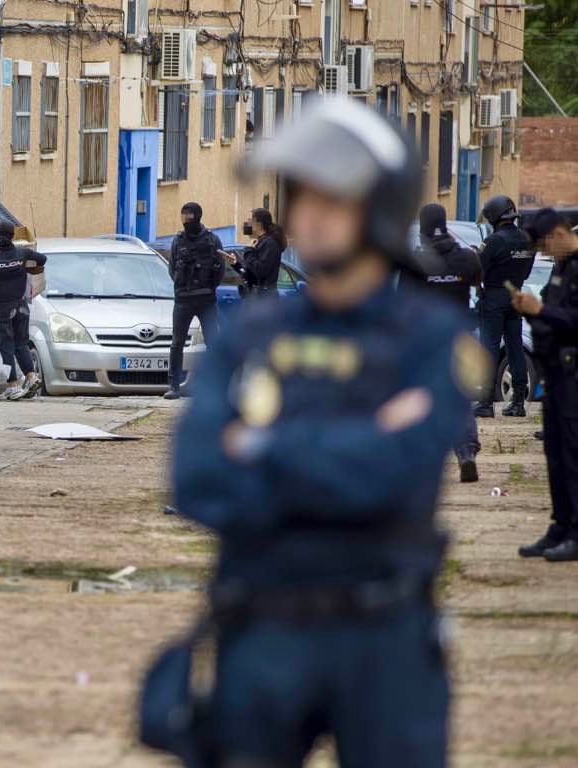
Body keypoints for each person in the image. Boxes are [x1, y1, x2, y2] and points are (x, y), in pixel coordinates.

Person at [167, 99, 478, 767]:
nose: (307, 214)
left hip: (384, 636)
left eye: (331, 197)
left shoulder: (427, 338)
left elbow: (397, 473)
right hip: (260, 628)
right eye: (300, 194)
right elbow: (196, 479)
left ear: (378, 206)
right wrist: (358, 439)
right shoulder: (253, 334)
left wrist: (260, 446)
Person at [398, 203, 484, 483]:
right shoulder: (467, 258)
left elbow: (402, 303)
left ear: (422, 228)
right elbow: (477, 279)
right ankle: (466, 453)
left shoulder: (416, 262)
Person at [511, 208, 578, 561]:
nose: (545, 253)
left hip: (573, 377)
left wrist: (540, 312)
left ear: (558, 233)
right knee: (554, 454)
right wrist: (531, 312)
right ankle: (561, 525)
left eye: (545, 245)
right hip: (556, 375)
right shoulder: (562, 269)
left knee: (571, 456)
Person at [474, 194, 535, 418]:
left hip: (494, 297)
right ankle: (518, 402)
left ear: (494, 217)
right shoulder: (527, 240)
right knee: (515, 347)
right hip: (516, 295)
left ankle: (486, 403)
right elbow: (527, 272)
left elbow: (477, 269)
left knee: (488, 347)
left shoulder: (493, 241)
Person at [0, 221, 47, 401]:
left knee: (5, 346)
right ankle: (31, 377)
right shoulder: (22, 253)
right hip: (21, 306)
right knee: (21, 343)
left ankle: (13, 386)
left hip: (2, 308)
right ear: (13, 235)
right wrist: (27, 265)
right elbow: (43, 260)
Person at [164, 202, 225, 400]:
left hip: (206, 299)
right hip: (183, 299)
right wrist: (183, 286)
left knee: (213, 343)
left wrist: (208, 288)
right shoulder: (178, 240)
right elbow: (172, 268)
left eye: (189, 217)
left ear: (198, 217)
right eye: (183, 216)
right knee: (177, 343)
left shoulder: (212, 240)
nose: (185, 221)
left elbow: (220, 269)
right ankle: (174, 385)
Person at [228, 207, 285, 297]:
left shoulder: (270, 243)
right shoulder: (259, 241)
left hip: (265, 299)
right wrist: (236, 264)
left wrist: (249, 251)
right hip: (255, 297)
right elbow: (250, 274)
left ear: (259, 224)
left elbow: (260, 271)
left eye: (252, 219)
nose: (249, 222)